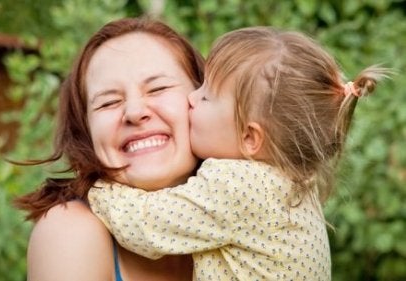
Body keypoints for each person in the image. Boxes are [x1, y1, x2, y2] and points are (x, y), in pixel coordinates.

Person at [89, 26, 389, 280]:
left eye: (206, 96)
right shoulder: (293, 182)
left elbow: (145, 225)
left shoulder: (238, 185)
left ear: (249, 137)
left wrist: (97, 185)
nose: (191, 99)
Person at [14, 17, 205, 281]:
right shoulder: (70, 231)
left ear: (205, 99)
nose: (135, 112)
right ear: (85, 132)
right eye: (108, 103)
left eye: (158, 88)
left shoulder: (260, 203)